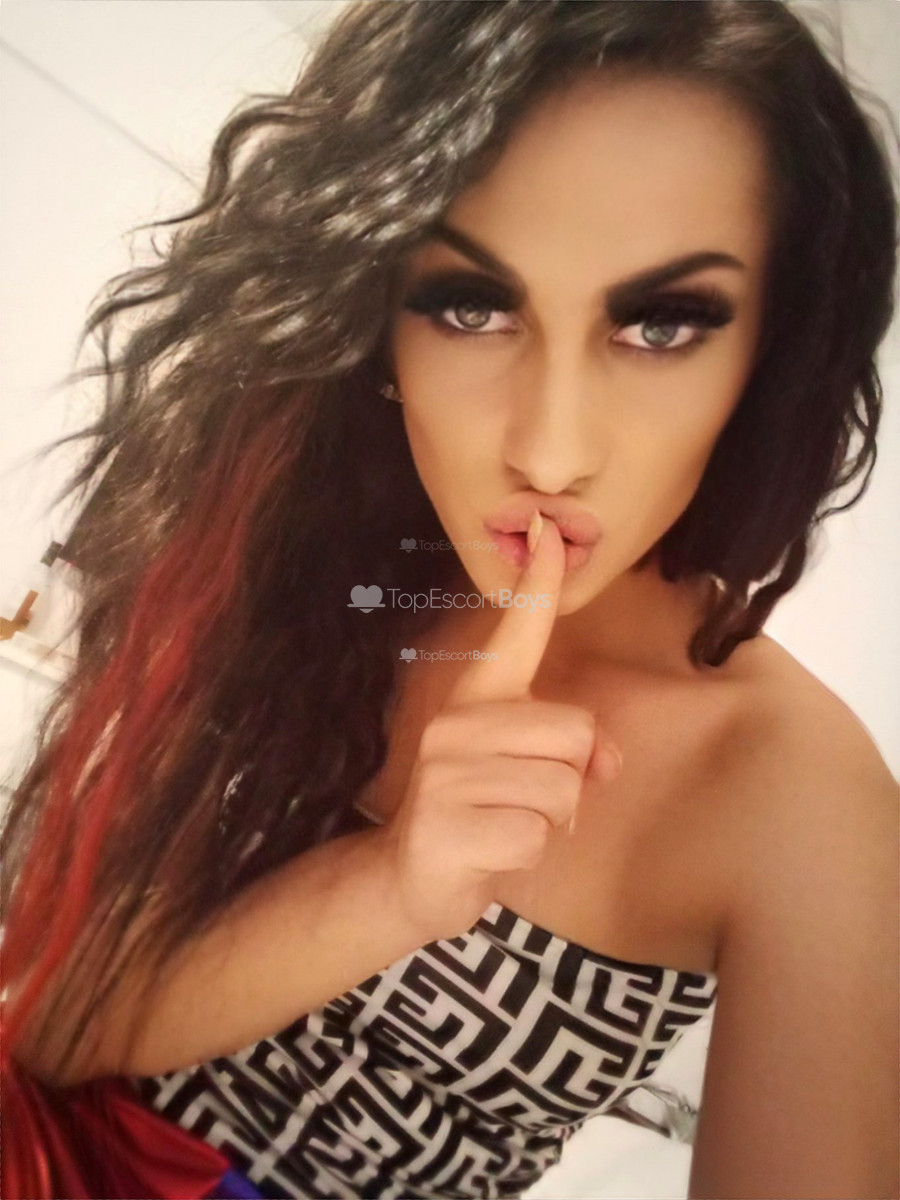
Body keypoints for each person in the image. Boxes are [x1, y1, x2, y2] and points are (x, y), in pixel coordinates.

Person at [1, 1, 898, 1197]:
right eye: (473, 306)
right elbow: (56, 1023)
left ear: (770, 360)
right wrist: (393, 886)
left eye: (661, 323)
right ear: (376, 315)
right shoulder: (312, 567)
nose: (551, 451)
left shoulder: (798, 797)